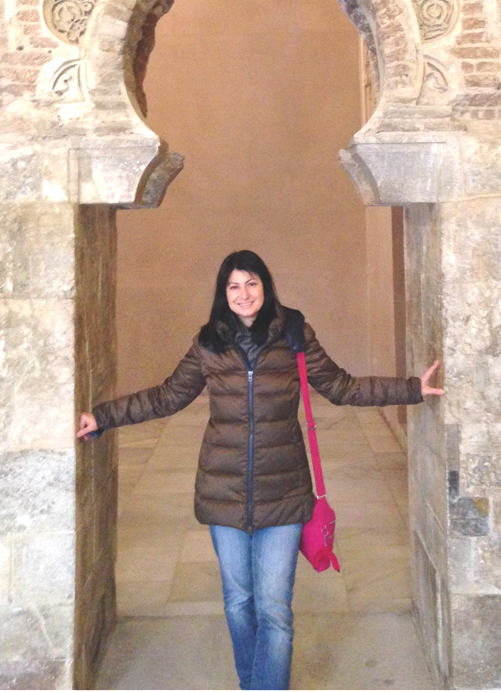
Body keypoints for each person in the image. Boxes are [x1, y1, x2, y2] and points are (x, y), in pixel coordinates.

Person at [78, 250, 443, 691]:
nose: (243, 294)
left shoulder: (294, 336)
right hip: (223, 492)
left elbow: (342, 387)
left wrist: (411, 389)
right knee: (238, 603)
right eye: (233, 286)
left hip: (285, 491)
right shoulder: (208, 344)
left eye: (251, 283)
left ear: (265, 287)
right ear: (223, 294)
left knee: (274, 609)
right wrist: (103, 417)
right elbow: (166, 397)